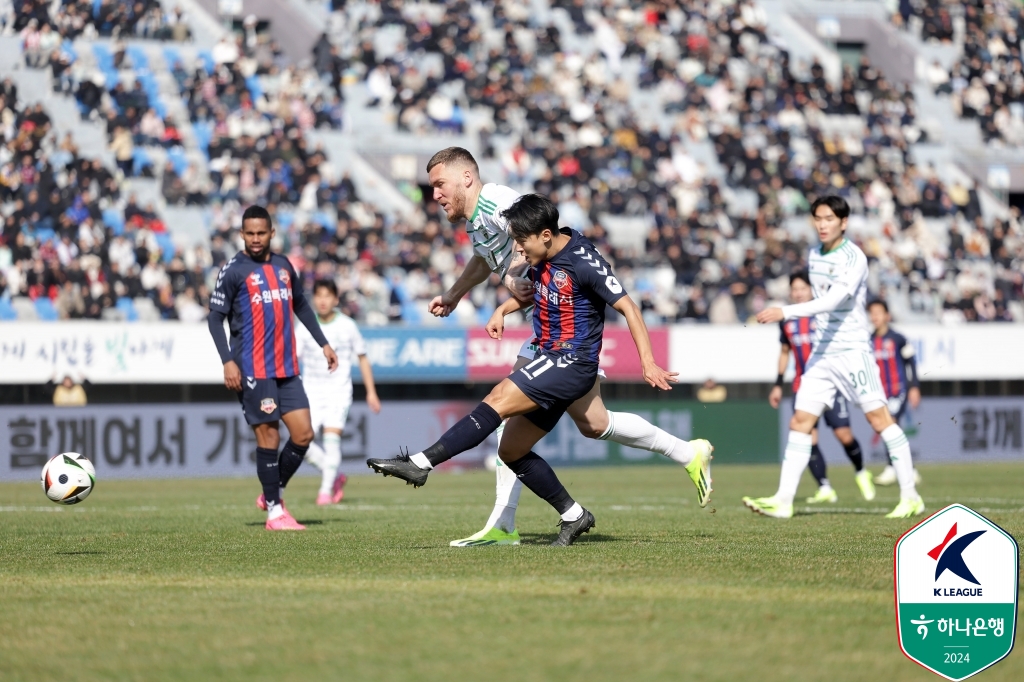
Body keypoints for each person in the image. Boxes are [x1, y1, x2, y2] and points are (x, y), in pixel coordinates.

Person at [367, 194, 713, 546]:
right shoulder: (544, 253)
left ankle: (422, 463)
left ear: (545, 235)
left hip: (570, 360)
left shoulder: (583, 261)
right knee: (513, 450)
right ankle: (573, 514)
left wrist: (648, 361)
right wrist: (503, 308)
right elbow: (538, 291)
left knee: (498, 398)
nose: (517, 249)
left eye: (521, 241)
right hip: (550, 354)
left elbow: (629, 308)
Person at [747, 196, 924, 519]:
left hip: (853, 351)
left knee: (879, 420)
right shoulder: (814, 254)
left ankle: (910, 495)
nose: (822, 224)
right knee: (800, 421)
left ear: (843, 222)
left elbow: (833, 301)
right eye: (817, 218)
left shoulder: (854, 257)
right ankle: (784, 500)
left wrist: (785, 311)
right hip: (822, 352)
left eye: (829, 218)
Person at [207, 205, 339, 531]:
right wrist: (227, 361)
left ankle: (270, 491)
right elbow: (214, 318)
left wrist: (323, 343)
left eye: (260, 233)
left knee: (304, 434)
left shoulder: (283, 266)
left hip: (286, 366)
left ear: (271, 233)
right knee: (268, 436)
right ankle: (275, 513)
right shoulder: (234, 270)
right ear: (241, 234)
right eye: (249, 233)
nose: (255, 239)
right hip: (253, 367)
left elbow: (301, 305)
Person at [771, 272, 875, 504]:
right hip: (802, 385)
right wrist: (778, 384)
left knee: (844, 435)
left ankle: (860, 471)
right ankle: (824, 487)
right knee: (806, 436)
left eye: (802, 288)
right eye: (794, 289)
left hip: (830, 383)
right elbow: (785, 352)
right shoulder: (787, 319)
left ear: (812, 290)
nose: (798, 293)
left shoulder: (825, 314)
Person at [296, 279, 381, 505]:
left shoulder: (347, 325)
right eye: (319, 295)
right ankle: (334, 475)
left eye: (327, 295)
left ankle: (325, 492)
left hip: (338, 391)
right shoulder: (303, 326)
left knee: (331, 440)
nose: (323, 300)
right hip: (310, 393)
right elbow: (293, 360)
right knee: (300, 443)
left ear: (335, 299)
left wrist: (371, 392)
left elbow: (363, 357)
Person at [868, 300, 922, 486]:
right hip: (878, 393)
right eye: (872, 313)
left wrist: (914, 386)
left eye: (878, 312)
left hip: (897, 390)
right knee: (889, 428)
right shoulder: (869, 341)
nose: (875, 316)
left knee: (889, 423)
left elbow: (911, 362)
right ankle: (909, 468)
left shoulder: (898, 338)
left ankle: (892, 468)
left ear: (887, 316)